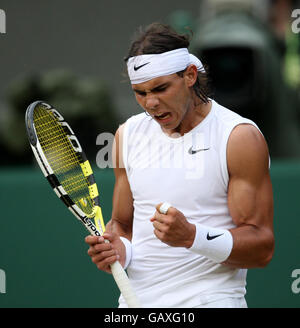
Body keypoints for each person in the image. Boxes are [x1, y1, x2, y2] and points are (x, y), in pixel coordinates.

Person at [85, 23, 274, 308]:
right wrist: (119, 249)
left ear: (189, 75)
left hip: (210, 301)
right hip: (136, 303)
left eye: (160, 88)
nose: (150, 103)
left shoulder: (238, 137)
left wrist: (192, 236)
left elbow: (262, 248)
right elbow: (122, 224)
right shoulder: (127, 135)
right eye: (140, 92)